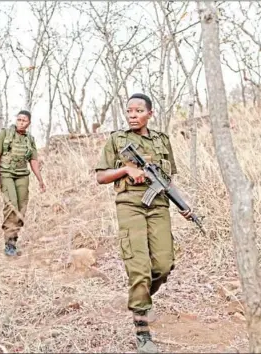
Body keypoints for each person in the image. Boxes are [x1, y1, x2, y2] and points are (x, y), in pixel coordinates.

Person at [95, 93, 189, 353]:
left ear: (150, 113)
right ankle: (142, 331)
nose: (132, 115)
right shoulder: (117, 139)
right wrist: (126, 170)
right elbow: (101, 177)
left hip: (158, 205)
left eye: (138, 111)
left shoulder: (162, 140)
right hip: (130, 206)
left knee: (163, 264)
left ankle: (142, 298)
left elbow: (168, 178)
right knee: (139, 269)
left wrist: (183, 205)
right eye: (129, 111)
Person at [0, 110, 46, 256]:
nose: (21, 122)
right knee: (11, 206)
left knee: (21, 209)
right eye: (19, 119)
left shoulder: (30, 139)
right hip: (6, 173)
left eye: (24, 120)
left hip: (22, 175)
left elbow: (33, 160)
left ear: (29, 123)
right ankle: (9, 244)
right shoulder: (5, 133)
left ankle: (14, 240)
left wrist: (40, 180)